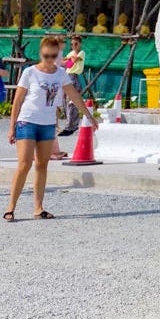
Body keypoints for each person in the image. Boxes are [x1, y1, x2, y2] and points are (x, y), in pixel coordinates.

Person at [7, 35, 96, 221]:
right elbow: (17, 101)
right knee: (24, 164)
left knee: (42, 164)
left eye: (53, 56)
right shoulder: (30, 72)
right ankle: (11, 206)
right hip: (27, 121)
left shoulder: (61, 74)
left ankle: (38, 207)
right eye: (46, 56)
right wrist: (11, 126)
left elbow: (74, 95)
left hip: (47, 124)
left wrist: (88, 116)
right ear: (41, 53)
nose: (49, 60)